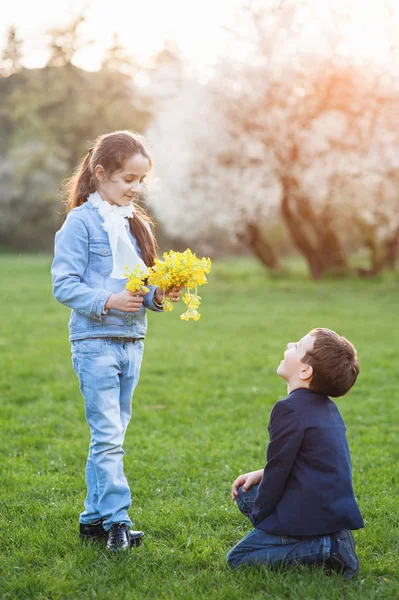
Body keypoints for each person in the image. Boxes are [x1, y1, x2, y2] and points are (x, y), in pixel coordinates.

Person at [51, 130, 182, 551]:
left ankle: (92, 518)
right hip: (95, 344)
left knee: (112, 436)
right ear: (100, 172)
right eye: (128, 179)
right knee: (108, 436)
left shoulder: (133, 224)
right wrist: (107, 300)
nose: (135, 189)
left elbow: (139, 288)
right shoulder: (80, 222)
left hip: (132, 343)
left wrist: (158, 295)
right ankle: (118, 521)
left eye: (141, 181)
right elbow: (64, 284)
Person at [227, 328, 364, 579]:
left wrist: (262, 514)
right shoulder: (327, 407)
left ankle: (326, 547)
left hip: (310, 507)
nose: (289, 344)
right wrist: (260, 474)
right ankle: (330, 534)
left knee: (239, 559)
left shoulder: (288, 409)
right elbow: (309, 460)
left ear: (305, 371)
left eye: (298, 346)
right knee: (247, 494)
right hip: (329, 506)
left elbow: (279, 471)